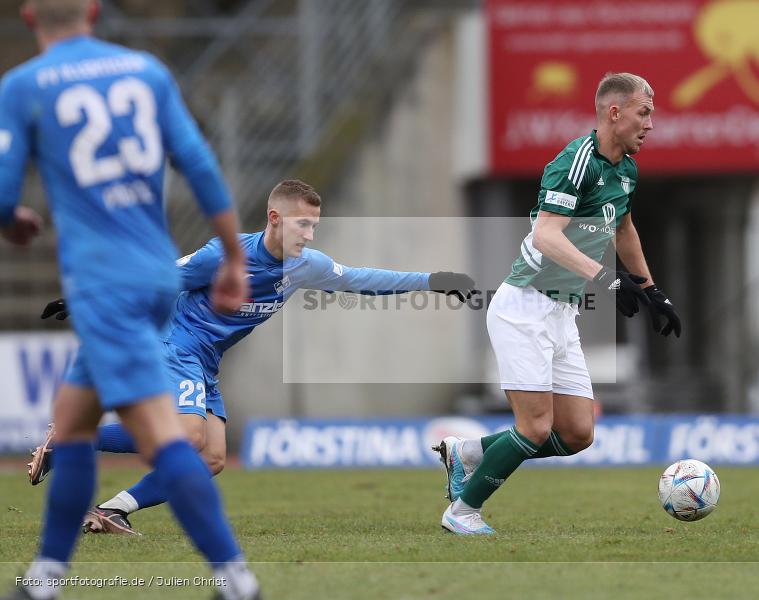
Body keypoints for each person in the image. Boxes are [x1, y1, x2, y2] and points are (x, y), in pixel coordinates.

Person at [29, 178, 477, 536]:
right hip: (177, 342)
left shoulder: (308, 265)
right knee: (187, 437)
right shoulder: (223, 255)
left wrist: (432, 278)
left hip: (206, 359)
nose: (309, 234)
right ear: (274, 218)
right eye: (302, 224)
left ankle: (112, 509)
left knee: (212, 460)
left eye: (314, 226)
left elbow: (361, 278)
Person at [0, 1, 260, 598]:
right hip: (155, 277)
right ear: (93, 11)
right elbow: (197, 163)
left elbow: (4, 194)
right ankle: (45, 578)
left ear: (29, 14)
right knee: (71, 427)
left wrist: (15, 222)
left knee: (170, 440)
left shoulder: (24, 84)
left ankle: (236, 578)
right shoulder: (145, 72)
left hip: (102, 282)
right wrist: (233, 256)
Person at [435, 72, 681, 535]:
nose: (650, 124)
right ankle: (462, 512)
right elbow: (546, 235)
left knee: (576, 434)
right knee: (533, 426)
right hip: (523, 308)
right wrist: (609, 279)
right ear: (615, 112)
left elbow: (623, 228)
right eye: (644, 112)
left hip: (562, 312)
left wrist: (650, 290)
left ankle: (468, 451)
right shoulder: (575, 161)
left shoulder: (625, 168)